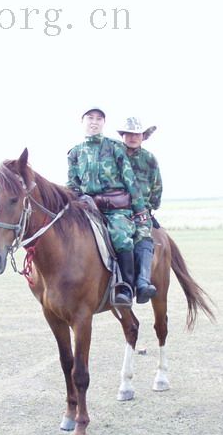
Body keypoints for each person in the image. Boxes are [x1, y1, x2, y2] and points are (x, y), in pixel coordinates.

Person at [67, 107, 147, 306]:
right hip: (88, 208)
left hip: (116, 209)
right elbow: (72, 184)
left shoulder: (114, 147)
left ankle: (126, 288)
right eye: (90, 118)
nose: (94, 122)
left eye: (99, 119)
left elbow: (130, 179)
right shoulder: (75, 153)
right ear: (82, 122)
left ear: (104, 123)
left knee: (120, 237)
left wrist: (140, 209)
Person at [117, 116, 163, 304]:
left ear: (143, 136)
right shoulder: (115, 154)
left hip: (140, 211)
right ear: (123, 135)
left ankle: (142, 282)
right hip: (117, 208)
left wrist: (149, 208)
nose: (133, 137)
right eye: (129, 133)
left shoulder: (149, 159)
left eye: (136, 134)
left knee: (143, 236)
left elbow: (157, 186)